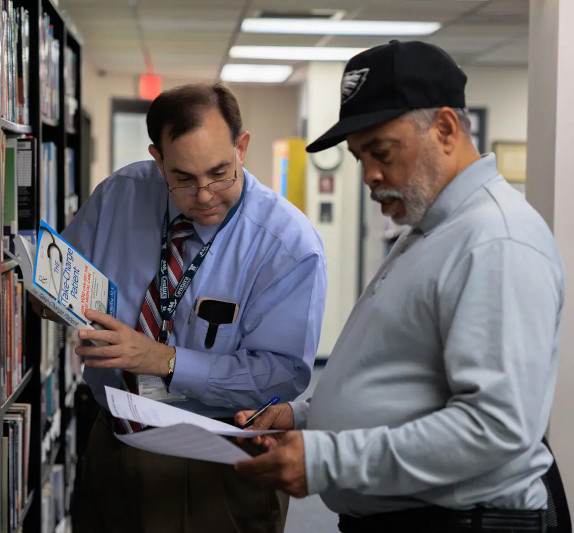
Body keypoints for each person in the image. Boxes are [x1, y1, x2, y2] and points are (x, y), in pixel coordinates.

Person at [234, 40, 565, 533]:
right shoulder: (434, 230)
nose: (370, 175)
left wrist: (329, 458)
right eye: (359, 156)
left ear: (446, 129)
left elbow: (495, 428)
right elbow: (402, 377)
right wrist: (302, 417)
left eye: (381, 151)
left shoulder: (495, 241)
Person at [48, 83, 327, 532]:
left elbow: (280, 376)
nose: (204, 195)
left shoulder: (289, 245)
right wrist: (49, 300)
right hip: (110, 440)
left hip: (214, 461)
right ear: (158, 159)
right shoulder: (121, 194)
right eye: (183, 178)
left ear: (242, 146)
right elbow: (63, 274)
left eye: (220, 172)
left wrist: (162, 360)